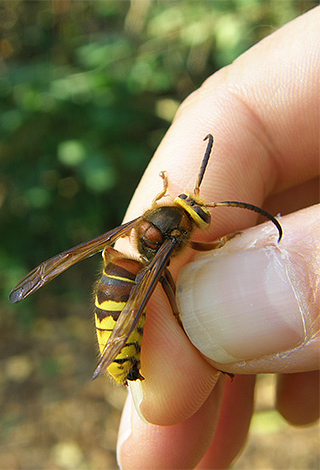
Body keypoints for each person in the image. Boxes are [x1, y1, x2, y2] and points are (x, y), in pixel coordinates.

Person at [115, 6, 319, 469]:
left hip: (125, 272)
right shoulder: (177, 238)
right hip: (129, 301)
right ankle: (127, 351)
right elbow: (194, 246)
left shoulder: (157, 223)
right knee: (164, 293)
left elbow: (160, 222)